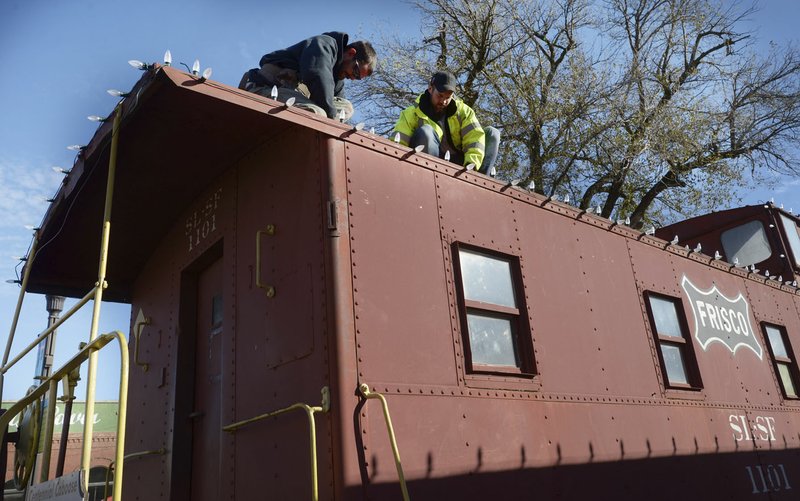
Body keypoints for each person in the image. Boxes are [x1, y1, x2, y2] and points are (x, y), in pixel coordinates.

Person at [239, 32, 376, 120]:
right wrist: (331, 118)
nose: (352, 77)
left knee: (347, 106)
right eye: (356, 72)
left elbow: (339, 104)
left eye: (357, 78)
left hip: (291, 95)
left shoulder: (338, 77)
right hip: (264, 87)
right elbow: (317, 73)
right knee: (317, 114)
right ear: (351, 53)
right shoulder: (325, 44)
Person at [392, 71, 500, 174]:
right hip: (430, 161)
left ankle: (478, 181)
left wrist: (471, 164)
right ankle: (429, 174)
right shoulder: (411, 113)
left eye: (448, 97)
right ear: (430, 89)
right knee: (426, 132)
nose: (443, 101)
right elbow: (398, 144)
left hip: (461, 163)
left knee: (493, 133)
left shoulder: (464, 112)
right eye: (440, 96)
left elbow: (475, 137)